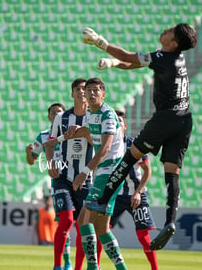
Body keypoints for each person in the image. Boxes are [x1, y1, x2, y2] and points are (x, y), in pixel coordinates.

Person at [82, 23, 197, 250]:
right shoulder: (178, 58)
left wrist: (100, 42)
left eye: (170, 31)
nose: (165, 30)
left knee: (130, 157)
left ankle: (102, 200)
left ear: (173, 43)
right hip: (185, 121)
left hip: (165, 118)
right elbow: (132, 63)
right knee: (172, 173)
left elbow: (128, 56)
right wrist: (115, 63)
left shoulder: (164, 56)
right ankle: (170, 222)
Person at [70, 78, 128, 270]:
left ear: (104, 94)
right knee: (102, 228)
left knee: (84, 220)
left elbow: (105, 148)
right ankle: (121, 268)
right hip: (105, 172)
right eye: (89, 90)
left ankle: (93, 267)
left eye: (96, 90)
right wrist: (79, 130)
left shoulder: (108, 115)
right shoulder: (90, 113)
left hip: (111, 171)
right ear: (84, 95)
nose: (92, 93)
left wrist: (84, 172)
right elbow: (90, 132)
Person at [44, 78, 99, 270]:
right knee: (66, 220)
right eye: (78, 89)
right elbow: (49, 144)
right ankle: (57, 266)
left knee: (83, 226)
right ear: (72, 94)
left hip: (85, 178)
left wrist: (84, 132)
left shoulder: (94, 117)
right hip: (63, 177)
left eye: (85, 89)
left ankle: (77, 268)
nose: (82, 92)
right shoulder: (61, 118)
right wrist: (50, 164)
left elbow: (99, 146)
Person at [25, 103, 73, 269]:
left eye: (60, 112)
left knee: (80, 224)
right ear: (49, 117)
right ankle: (65, 263)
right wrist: (28, 154)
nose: (57, 115)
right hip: (59, 181)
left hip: (78, 179)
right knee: (64, 223)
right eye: (53, 113)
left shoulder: (72, 133)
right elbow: (32, 160)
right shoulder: (44, 136)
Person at [111, 110, 158, 270]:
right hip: (114, 196)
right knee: (101, 231)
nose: (116, 124)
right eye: (113, 121)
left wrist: (138, 192)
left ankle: (154, 269)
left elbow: (147, 170)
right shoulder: (106, 146)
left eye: (119, 121)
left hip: (135, 196)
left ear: (124, 126)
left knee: (143, 235)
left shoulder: (134, 146)